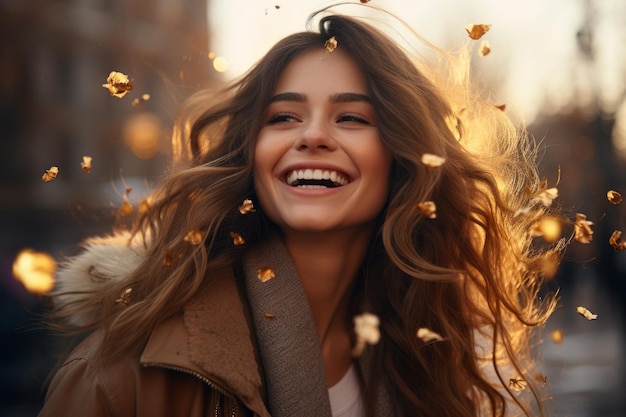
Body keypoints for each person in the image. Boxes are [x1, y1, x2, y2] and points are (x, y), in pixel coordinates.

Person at [39, 5, 559, 417]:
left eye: (351, 117)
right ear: (251, 153)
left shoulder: (437, 360)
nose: (312, 135)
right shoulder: (127, 372)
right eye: (284, 116)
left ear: (404, 158)